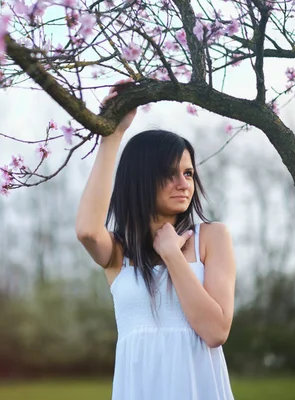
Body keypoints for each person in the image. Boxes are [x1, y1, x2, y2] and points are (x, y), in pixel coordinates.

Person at [75, 80, 237, 400]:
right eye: (170, 173)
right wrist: (112, 134)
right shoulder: (118, 252)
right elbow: (87, 231)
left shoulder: (211, 237)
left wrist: (173, 256)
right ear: (141, 179)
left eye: (188, 173)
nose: (183, 184)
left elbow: (215, 332)